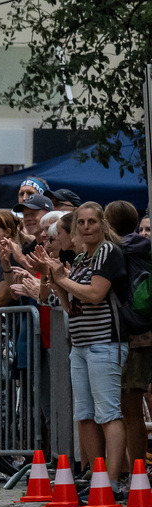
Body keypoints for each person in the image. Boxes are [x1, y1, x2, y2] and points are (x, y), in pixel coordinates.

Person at [37, 202, 131, 493]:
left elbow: (95, 294)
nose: (87, 227)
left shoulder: (107, 251)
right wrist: (55, 279)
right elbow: (71, 307)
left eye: (92, 222)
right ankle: (96, 476)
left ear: (102, 225)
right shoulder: (81, 258)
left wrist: (63, 279)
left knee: (108, 413)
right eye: (82, 222)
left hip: (105, 342)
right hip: (80, 345)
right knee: (85, 415)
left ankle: (112, 482)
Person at [104, 201, 152, 469]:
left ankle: (136, 472)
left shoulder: (119, 251)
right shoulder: (140, 247)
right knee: (128, 408)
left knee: (130, 408)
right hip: (138, 333)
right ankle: (129, 470)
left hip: (131, 335)